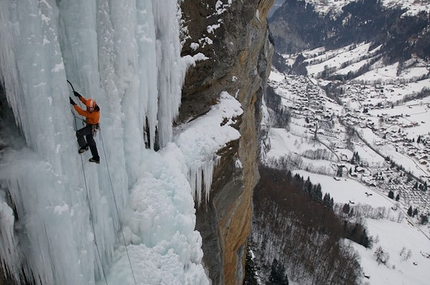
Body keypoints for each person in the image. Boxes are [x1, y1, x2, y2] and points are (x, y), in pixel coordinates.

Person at [69, 91, 100, 164]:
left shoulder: (94, 113)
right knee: (90, 140)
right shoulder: (92, 107)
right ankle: (96, 157)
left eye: (90, 108)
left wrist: (74, 104)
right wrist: (79, 96)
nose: (89, 109)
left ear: (94, 107)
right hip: (91, 126)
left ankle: (84, 146)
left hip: (92, 127)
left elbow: (81, 112)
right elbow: (85, 101)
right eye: (88, 107)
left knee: (79, 133)